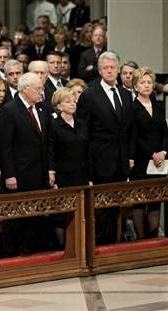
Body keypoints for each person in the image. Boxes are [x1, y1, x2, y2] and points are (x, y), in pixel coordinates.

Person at [77, 51, 134, 245]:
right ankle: (100, 248)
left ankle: (113, 247)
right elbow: (83, 132)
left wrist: (128, 156)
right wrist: (87, 167)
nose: (109, 71)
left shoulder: (126, 95)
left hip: (121, 161)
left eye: (113, 68)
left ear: (118, 70)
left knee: (116, 207)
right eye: (105, 68)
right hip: (99, 161)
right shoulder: (89, 95)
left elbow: (129, 130)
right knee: (100, 209)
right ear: (100, 71)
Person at [0, 72, 53, 256]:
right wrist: (9, 174)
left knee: (36, 217)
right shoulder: (10, 110)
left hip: (40, 173)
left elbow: (47, 142)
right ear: (25, 89)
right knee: (16, 218)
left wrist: (50, 170)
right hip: (19, 175)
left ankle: (31, 252)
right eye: (38, 89)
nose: (42, 92)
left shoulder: (42, 109)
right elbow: (4, 146)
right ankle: (11, 256)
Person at [49, 87, 90, 248]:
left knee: (82, 213)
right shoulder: (53, 124)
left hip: (82, 174)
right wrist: (53, 174)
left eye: (74, 100)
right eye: (68, 101)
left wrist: (91, 177)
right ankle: (63, 248)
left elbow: (88, 151)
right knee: (63, 214)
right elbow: (51, 151)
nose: (73, 103)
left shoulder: (82, 123)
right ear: (59, 105)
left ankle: (81, 247)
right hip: (63, 175)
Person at [130, 67, 168, 239]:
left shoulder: (158, 105)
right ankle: (140, 240)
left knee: (155, 200)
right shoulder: (132, 107)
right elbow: (134, 137)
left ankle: (153, 240)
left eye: (149, 82)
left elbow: (165, 132)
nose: (146, 85)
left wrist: (164, 152)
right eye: (142, 82)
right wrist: (152, 153)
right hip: (141, 160)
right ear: (135, 86)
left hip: (160, 161)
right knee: (140, 200)